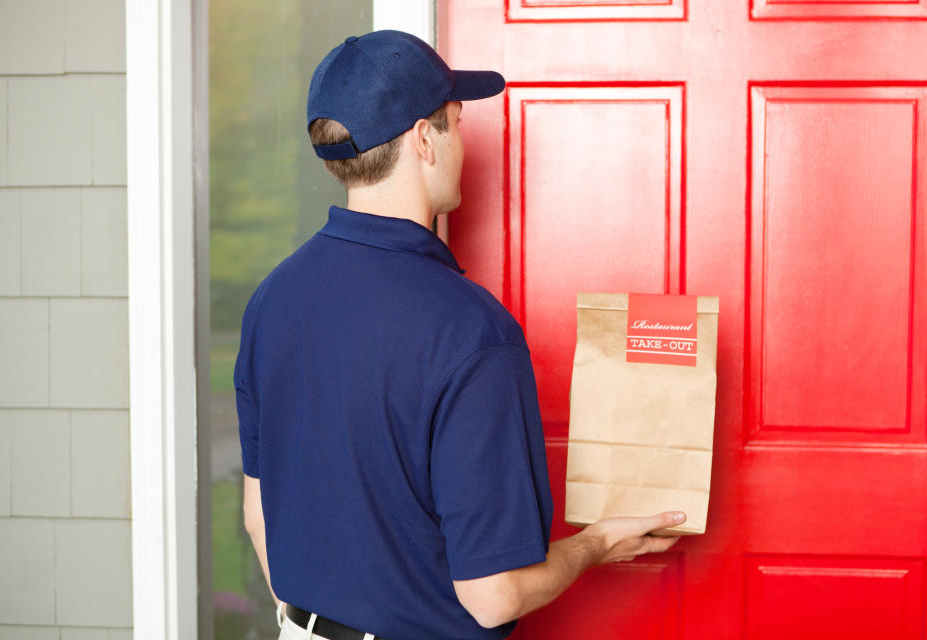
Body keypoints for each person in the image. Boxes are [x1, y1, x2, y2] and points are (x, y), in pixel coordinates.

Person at [235, 29, 686, 640]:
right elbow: (494, 596)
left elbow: (259, 512)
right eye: (456, 118)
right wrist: (595, 545)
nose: (464, 140)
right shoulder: (471, 331)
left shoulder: (273, 297)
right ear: (425, 139)